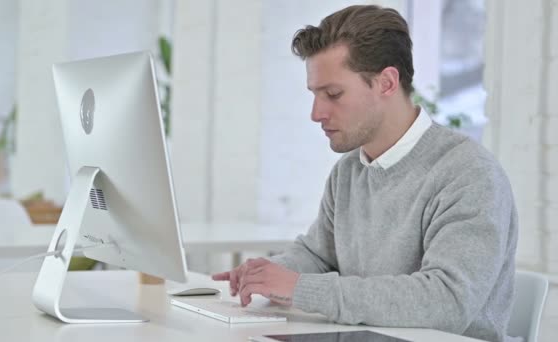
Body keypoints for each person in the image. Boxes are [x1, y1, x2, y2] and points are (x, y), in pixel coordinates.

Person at [212, 4, 519, 342]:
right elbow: (317, 254)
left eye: (333, 94)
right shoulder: (349, 172)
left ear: (386, 82)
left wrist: (302, 289)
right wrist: (265, 273)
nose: (316, 113)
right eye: (315, 95)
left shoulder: (468, 174)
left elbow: (446, 302)